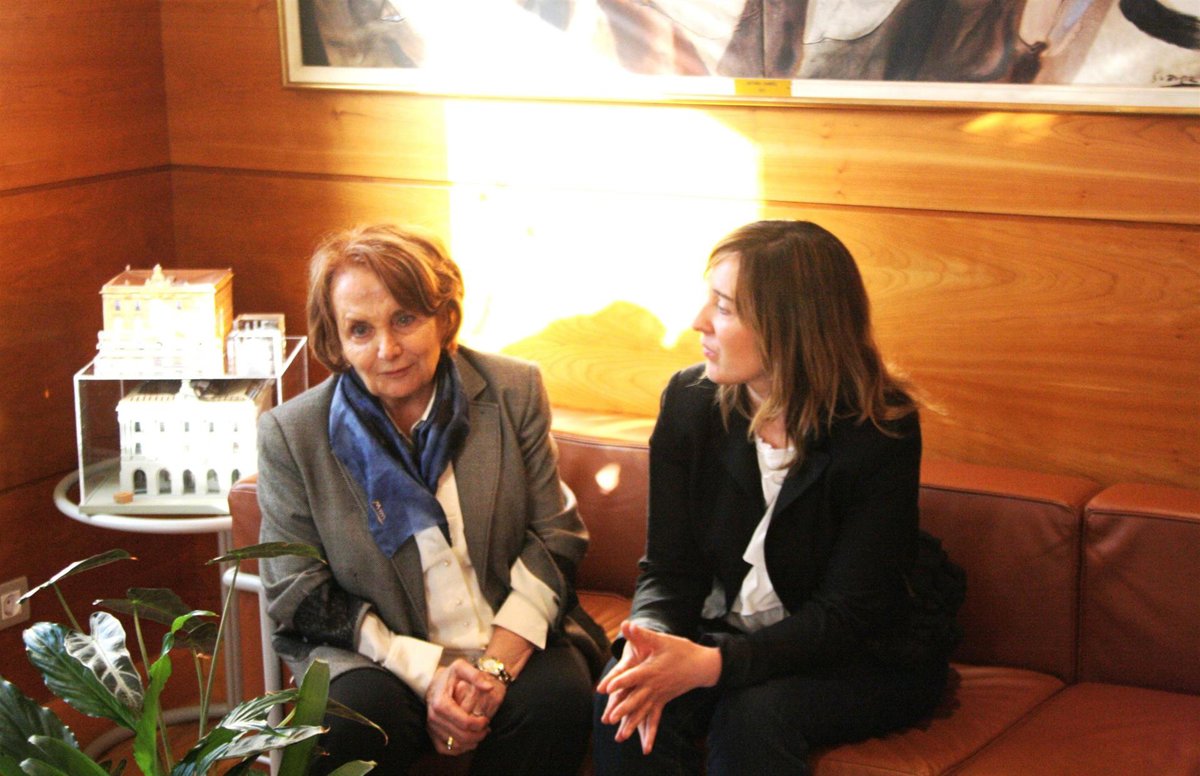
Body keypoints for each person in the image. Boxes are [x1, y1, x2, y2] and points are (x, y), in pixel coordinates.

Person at [593, 220, 962, 774]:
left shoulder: (879, 430)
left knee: (755, 715)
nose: (698, 321)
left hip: (859, 654)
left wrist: (712, 664)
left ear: (790, 326)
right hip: (728, 635)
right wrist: (652, 644)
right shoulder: (689, 403)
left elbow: (848, 614)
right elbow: (669, 570)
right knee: (622, 695)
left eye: (723, 307)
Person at [258, 223, 599, 775]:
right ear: (336, 342)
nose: (387, 349)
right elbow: (297, 589)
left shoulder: (512, 391)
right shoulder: (292, 434)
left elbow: (556, 537)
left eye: (405, 319)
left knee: (557, 702)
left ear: (444, 318)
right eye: (360, 330)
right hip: (377, 654)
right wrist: (429, 672)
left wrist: (492, 670)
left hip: (506, 631)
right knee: (353, 721)